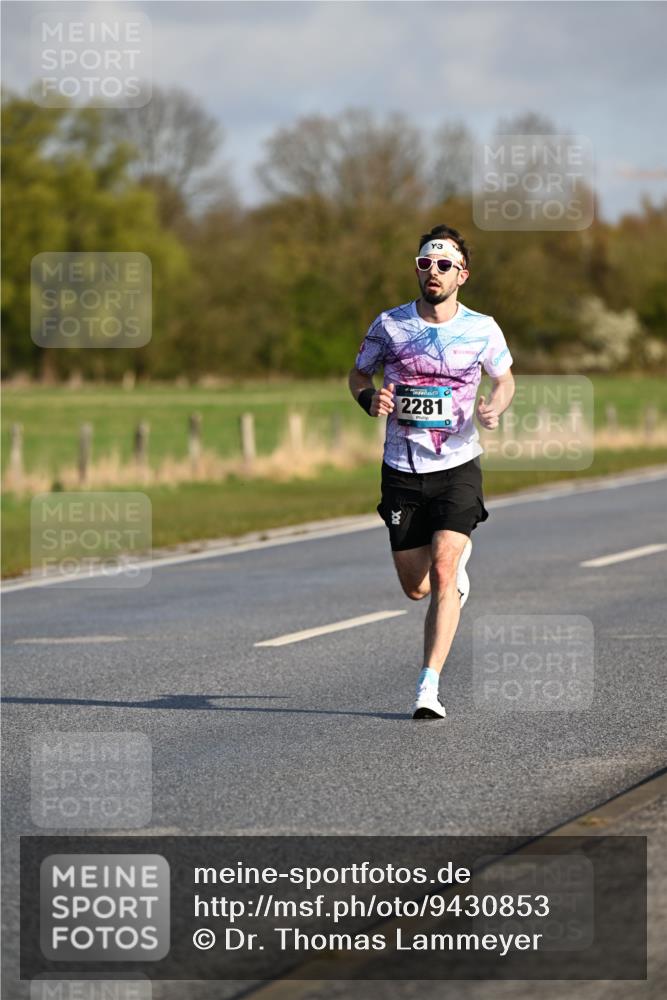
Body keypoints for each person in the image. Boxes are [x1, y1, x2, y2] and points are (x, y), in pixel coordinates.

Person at [348, 224, 515, 719]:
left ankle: (428, 686)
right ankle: (451, 581)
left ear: (462, 273)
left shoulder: (483, 328)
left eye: (444, 265)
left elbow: (504, 380)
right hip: (402, 467)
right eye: (425, 264)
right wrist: (367, 396)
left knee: (443, 571)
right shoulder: (390, 325)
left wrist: (495, 407)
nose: (434, 272)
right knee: (416, 586)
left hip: (458, 463)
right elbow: (359, 372)